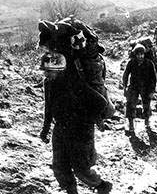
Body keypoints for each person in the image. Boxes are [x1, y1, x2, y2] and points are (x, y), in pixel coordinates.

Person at [38, 17, 112, 194]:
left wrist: (90, 121)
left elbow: (99, 102)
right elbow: (49, 107)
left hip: (79, 128)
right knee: (59, 168)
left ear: (58, 69)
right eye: (45, 71)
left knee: (81, 170)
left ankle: (102, 186)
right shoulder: (49, 83)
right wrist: (45, 128)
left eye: (49, 71)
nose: (46, 74)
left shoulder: (73, 82)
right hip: (61, 128)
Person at [122, 44, 157, 133]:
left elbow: (154, 78)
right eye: (138, 54)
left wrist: (152, 90)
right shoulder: (131, 62)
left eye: (141, 54)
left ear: (144, 54)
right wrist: (125, 87)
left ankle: (147, 121)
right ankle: (131, 124)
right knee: (130, 104)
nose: (140, 56)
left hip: (146, 87)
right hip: (134, 86)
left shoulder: (149, 63)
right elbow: (125, 74)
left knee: (146, 104)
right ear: (135, 55)